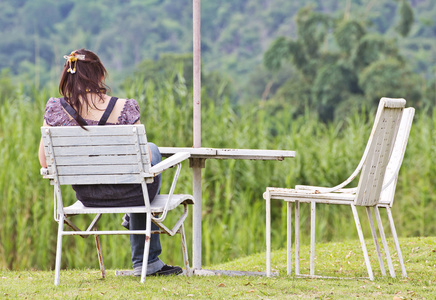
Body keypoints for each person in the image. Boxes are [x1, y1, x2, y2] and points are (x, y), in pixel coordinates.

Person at [38, 48, 182, 277]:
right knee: (151, 152)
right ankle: (148, 262)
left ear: (68, 75)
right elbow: (143, 159)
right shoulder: (123, 108)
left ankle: (147, 259)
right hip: (133, 194)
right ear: (100, 76)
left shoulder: (56, 110)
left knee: (141, 174)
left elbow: (45, 163)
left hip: (88, 196)